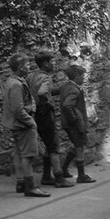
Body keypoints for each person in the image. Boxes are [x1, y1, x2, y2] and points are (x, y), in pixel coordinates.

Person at [1, 53, 49, 198]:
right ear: (20, 67)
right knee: (27, 155)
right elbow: (18, 109)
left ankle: (21, 182)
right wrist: (31, 122)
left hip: (15, 124)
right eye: (27, 65)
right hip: (22, 125)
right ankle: (30, 187)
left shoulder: (12, 81)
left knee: (18, 152)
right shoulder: (16, 84)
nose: (29, 67)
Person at [25, 50, 73, 189]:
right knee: (53, 146)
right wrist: (45, 102)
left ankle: (46, 176)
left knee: (47, 144)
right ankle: (59, 178)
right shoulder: (46, 78)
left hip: (35, 114)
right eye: (52, 62)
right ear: (45, 64)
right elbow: (42, 92)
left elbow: (35, 91)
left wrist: (59, 89)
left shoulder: (31, 76)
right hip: (46, 114)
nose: (54, 64)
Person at [59, 64, 96, 184]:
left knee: (76, 145)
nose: (84, 78)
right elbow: (67, 105)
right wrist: (74, 120)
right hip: (74, 124)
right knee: (79, 147)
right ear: (77, 76)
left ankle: (64, 169)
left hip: (68, 123)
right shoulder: (75, 90)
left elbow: (53, 91)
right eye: (82, 76)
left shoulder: (65, 86)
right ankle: (81, 175)